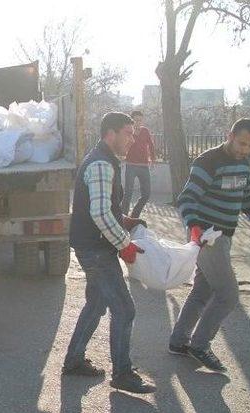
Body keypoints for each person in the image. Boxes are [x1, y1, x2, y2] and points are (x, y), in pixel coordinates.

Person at [64, 112, 156, 394]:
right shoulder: (103, 164)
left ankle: (74, 360)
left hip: (90, 246)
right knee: (125, 310)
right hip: (96, 250)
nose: (133, 139)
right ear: (110, 133)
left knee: (96, 305)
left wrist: (125, 220)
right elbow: (101, 214)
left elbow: (105, 209)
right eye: (128, 133)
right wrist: (124, 244)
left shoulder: (100, 159)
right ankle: (123, 374)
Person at [169, 118, 250, 372]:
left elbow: (247, 198)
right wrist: (195, 226)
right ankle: (200, 345)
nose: (244, 149)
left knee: (203, 291)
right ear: (229, 135)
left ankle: (179, 341)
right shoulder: (208, 161)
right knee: (227, 295)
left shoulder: (246, 163)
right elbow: (186, 199)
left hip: (224, 236)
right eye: (241, 143)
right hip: (206, 236)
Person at [121, 110, 156, 218]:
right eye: (136, 120)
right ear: (131, 121)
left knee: (146, 194)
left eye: (140, 120)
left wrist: (153, 159)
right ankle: (123, 217)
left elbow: (151, 145)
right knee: (128, 193)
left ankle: (134, 215)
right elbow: (122, 147)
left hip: (144, 166)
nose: (138, 122)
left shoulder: (145, 131)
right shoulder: (127, 132)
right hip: (130, 165)